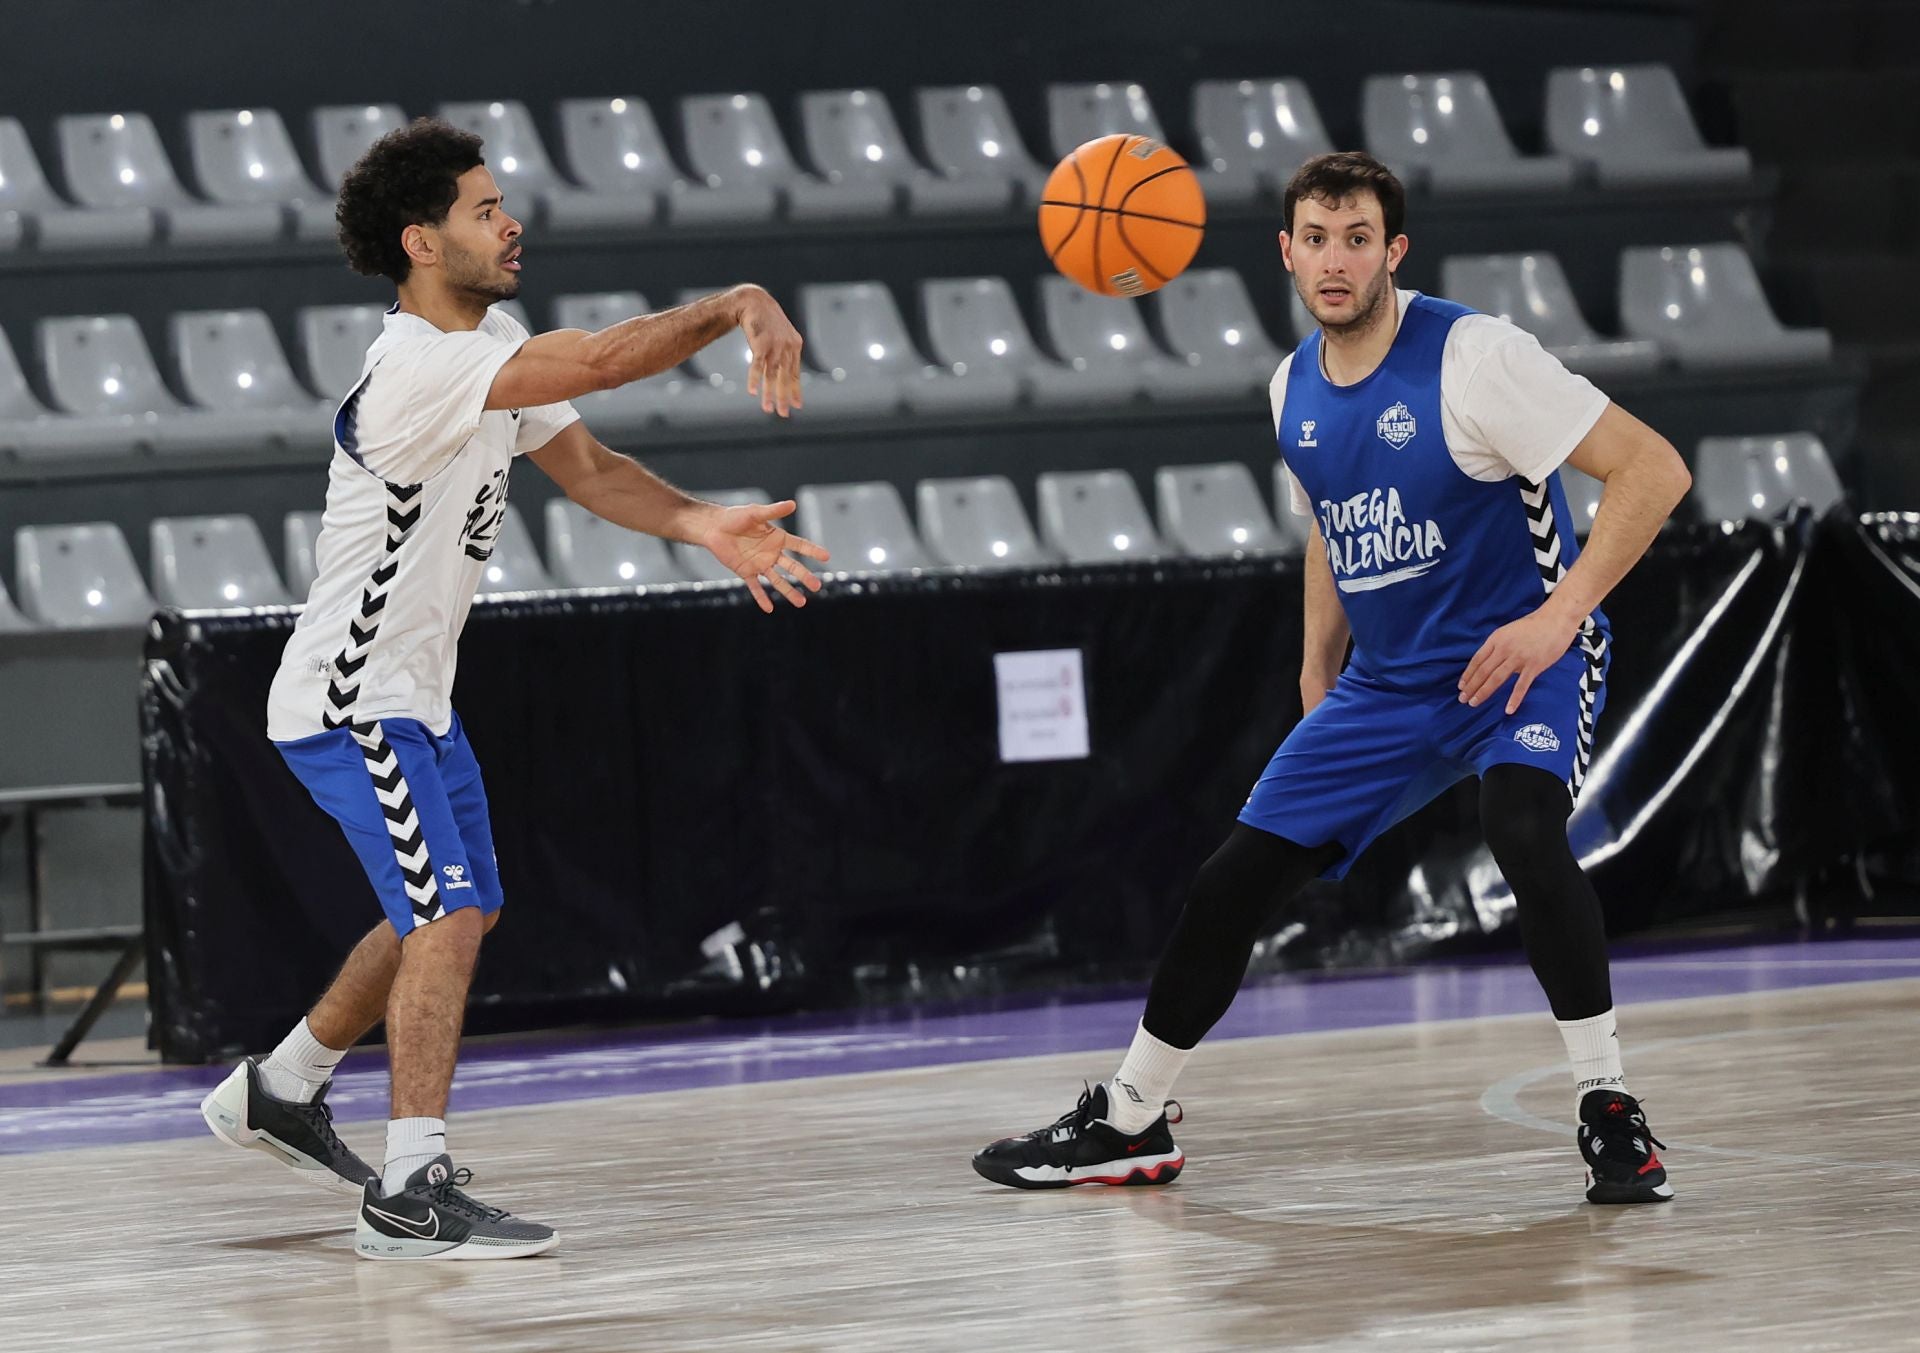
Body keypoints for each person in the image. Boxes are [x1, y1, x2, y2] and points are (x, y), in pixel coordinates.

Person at [972, 151, 1692, 1206]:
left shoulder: (1476, 357)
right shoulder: (1290, 386)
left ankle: (1608, 1106)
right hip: (1388, 687)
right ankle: (1129, 1120)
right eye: (1316, 238)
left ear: (1393, 251)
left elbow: (1655, 470)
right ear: (1287, 252)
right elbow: (1329, 519)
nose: (1335, 259)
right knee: (1231, 882)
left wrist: (1555, 620)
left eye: (1358, 239)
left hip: (1516, 659)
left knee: (1525, 828)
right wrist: (1319, 662)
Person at [200, 119, 828, 1259]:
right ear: (422, 243)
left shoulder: (488, 337)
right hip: (352, 701)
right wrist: (736, 299)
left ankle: (284, 1086)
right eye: (485, 209)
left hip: (417, 696)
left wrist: (698, 522)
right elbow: (596, 362)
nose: (511, 221)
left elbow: (585, 464)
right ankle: (408, 1188)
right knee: (440, 912)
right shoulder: (420, 368)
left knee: (456, 908)